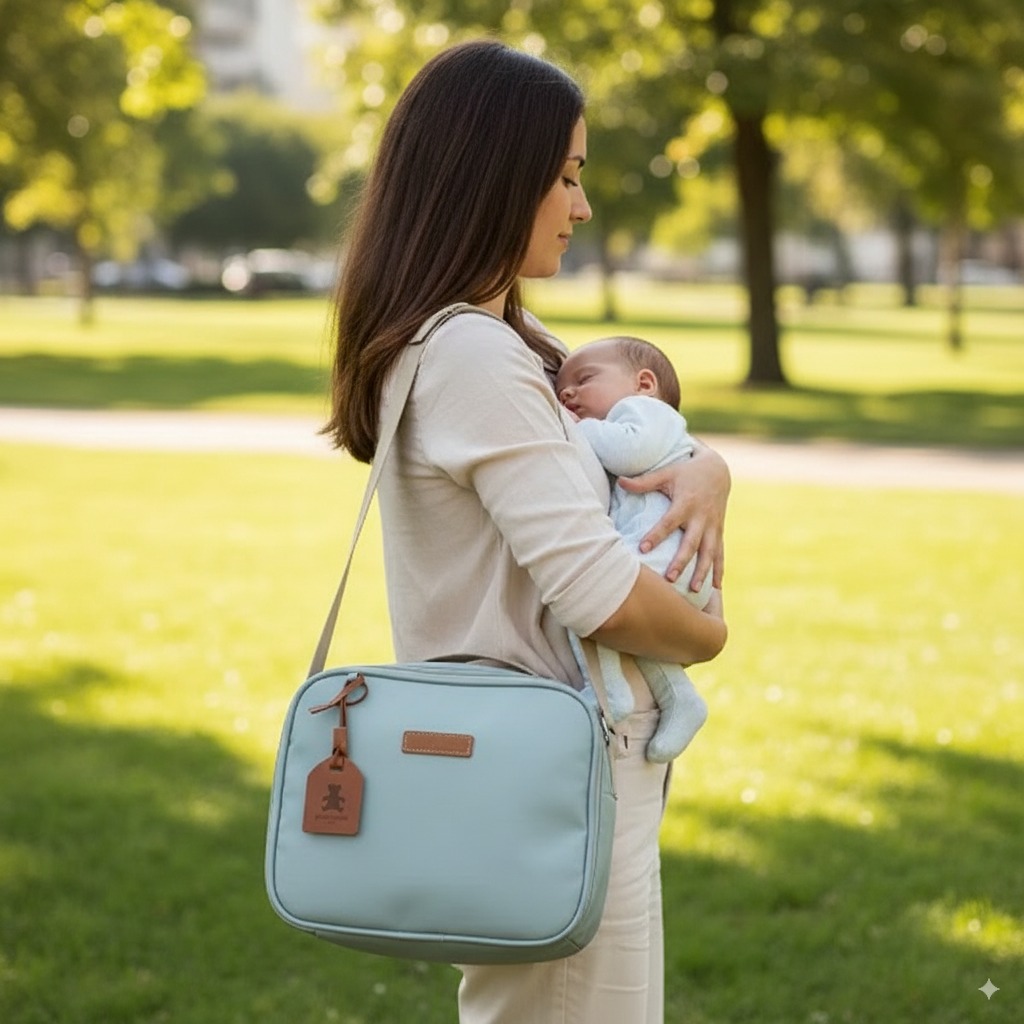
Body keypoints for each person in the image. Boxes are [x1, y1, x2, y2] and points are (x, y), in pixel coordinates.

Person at [323, 38, 730, 1024]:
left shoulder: (510, 343)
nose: (580, 204)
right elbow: (598, 594)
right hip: (551, 767)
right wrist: (710, 636)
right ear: (493, 177)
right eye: (564, 174)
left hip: (565, 760)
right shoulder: (471, 352)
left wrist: (712, 470)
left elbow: (646, 451)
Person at [556, 335, 719, 763]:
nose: (567, 392)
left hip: (665, 558)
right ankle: (681, 699)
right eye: (561, 390)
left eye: (584, 379)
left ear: (644, 383)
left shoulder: (644, 412)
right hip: (674, 565)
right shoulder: (652, 421)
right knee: (639, 636)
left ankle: (607, 694)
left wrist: (577, 428)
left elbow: (630, 454)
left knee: (589, 602)